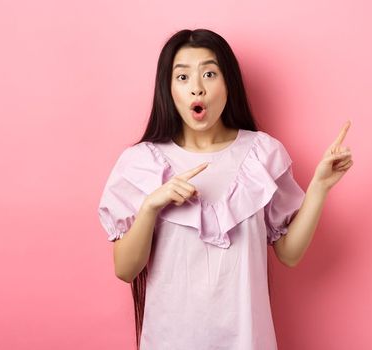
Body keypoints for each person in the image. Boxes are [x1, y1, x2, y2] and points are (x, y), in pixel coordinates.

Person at [96, 28, 353, 349]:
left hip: (248, 340)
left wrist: (320, 186)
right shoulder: (140, 163)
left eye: (209, 73)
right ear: (168, 88)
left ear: (228, 82)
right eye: (183, 77)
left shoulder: (263, 153)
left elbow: (289, 254)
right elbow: (125, 269)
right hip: (170, 340)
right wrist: (151, 206)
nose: (197, 89)